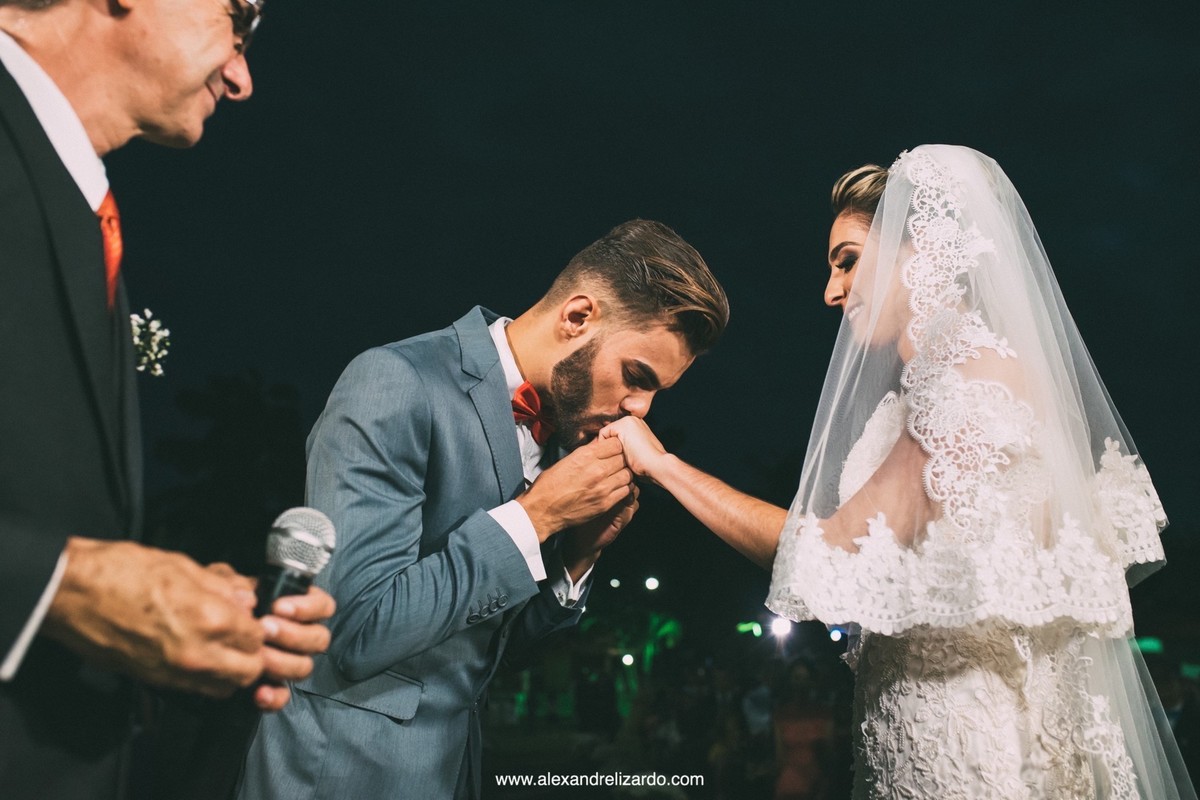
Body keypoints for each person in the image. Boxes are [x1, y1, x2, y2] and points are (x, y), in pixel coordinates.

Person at [604, 145, 1196, 798]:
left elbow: (825, 553)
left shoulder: (969, 379)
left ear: (923, 250)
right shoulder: (943, 387)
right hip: (920, 734)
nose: (831, 291)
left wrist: (663, 465)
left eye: (849, 260)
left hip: (964, 751)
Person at [237, 219, 730, 800]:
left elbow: (491, 653)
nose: (640, 409)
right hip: (340, 775)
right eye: (636, 376)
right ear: (577, 317)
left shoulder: (562, 437)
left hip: (455, 772)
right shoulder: (395, 381)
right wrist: (537, 516)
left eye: (655, 392)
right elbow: (353, 630)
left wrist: (578, 556)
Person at [0, 1, 335, 798]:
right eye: (239, 18)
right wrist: (59, 586)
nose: (242, 76)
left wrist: (169, 614)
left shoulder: (76, 201)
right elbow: (61, 573)